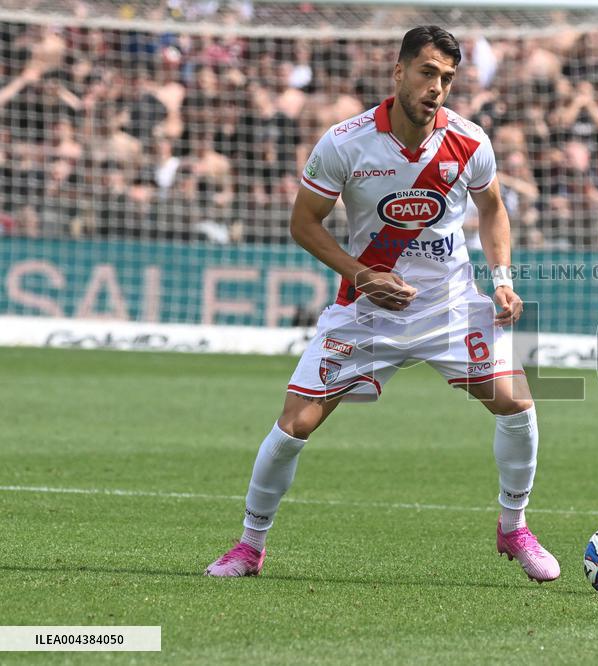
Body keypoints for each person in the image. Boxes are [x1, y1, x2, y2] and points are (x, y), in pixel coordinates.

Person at [204, 26, 560, 582]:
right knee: (294, 424)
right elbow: (304, 223)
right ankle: (249, 546)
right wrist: (363, 274)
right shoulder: (345, 142)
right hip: (368, 311)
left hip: (449, 307)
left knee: (517, 405)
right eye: (427, 72)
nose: (437, 87)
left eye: (447, 77)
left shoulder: (470, 141)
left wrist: (503, 279)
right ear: (399, 73)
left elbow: (492, 210)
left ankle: (514, 527)